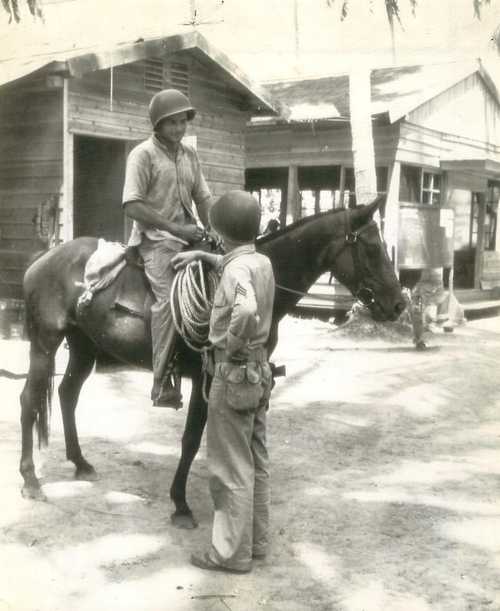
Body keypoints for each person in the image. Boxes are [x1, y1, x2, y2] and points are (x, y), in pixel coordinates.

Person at [171, 190, 275, 574]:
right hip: (259, 373)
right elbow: (239, 270)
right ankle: (256, 542)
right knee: (256, 460)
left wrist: (230, 346)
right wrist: (203, 255)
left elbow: (244, 307)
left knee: (229, 467)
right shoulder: (259, 261)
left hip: (232, 372)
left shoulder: (234, 272)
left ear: (221, 231)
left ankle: (230, 555)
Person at [122, 89, 213, 408]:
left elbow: (202, 196)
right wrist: (175, 228)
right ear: (157, 125)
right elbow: (132, 205)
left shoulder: (190, 155)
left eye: (182, 121)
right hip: (155, 240)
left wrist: (213, 229)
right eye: (171, 123)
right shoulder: (142, 155)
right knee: (169, 299)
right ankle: (161, 381)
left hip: (190, 236)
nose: (179, 128)